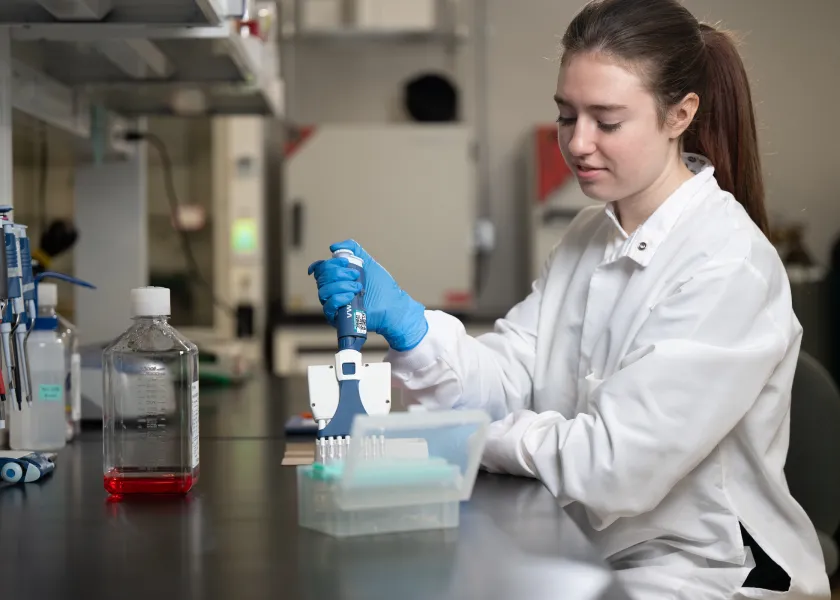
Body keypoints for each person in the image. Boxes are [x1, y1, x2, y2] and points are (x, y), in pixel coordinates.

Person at [307, 0, 830, 597]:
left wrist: (474, 436)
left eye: (607, 122)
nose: (578, 142)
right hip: (587, 543)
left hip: (702, 570)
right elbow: (510, 377)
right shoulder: (588, 235)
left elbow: (615, 466)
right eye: (566, 115)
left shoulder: (727, 263)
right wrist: (413, 328)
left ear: (680, 115)